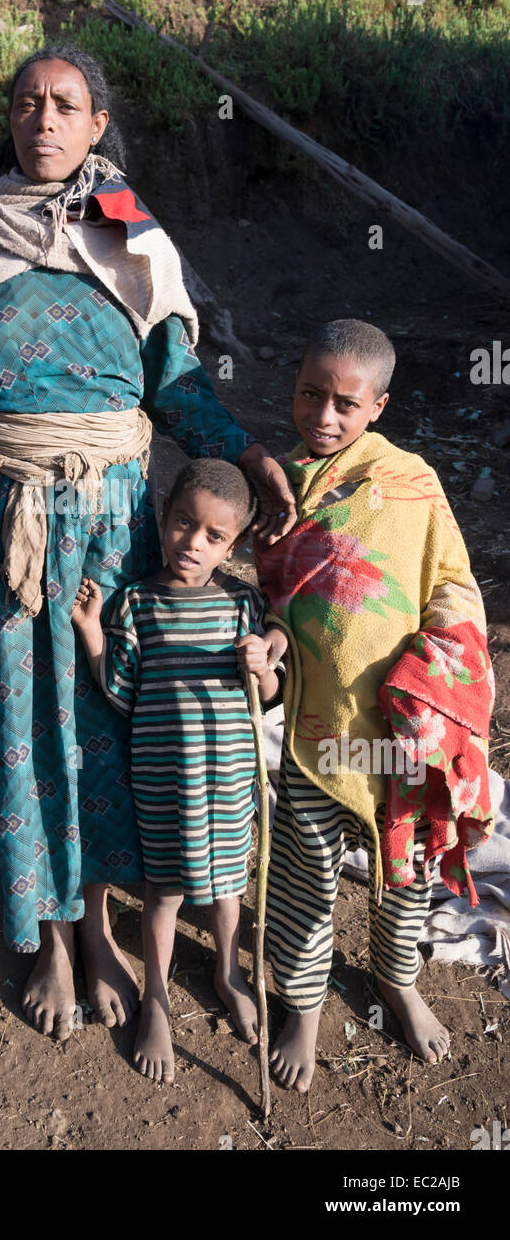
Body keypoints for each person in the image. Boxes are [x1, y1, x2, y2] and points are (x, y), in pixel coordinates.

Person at [0, 45, 297, 1042]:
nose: (44, 118)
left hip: (116, 518)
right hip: (4, 522)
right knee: (20, 712)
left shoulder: (129, 229)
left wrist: (241, 450)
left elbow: (173, 380)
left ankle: (99, 928)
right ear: (11, 119)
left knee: (101, 708)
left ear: (95, 123)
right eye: (27, 103)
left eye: (65, 104)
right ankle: (43, 927)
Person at [254, 319, 494, 1091]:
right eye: (309, 395)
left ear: (378, 407)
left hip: (398, 727)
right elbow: (272, 593)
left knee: (406, 870)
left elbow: (451, 580)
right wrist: (268, 649)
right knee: (304, 873)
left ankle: (397, 979)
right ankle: (301, 1004)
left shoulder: (410, 483)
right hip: (312, 729)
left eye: (344, 405)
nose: (323, 416)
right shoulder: (280, 484)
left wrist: (438, 674)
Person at [72, 458, 287, 1081]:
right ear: (163, 517)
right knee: (163, 892)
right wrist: (92, 633)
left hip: (228, 780)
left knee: (226, 886)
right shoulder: (137, 602)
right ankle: (158, 1001)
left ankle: (228, 969)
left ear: (235, 543)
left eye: (214, 536)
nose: (193, 543)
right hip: (164, 782)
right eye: (183, 524)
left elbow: (269, 697)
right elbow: (120, 692)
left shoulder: (245, 605)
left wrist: (263, 665)